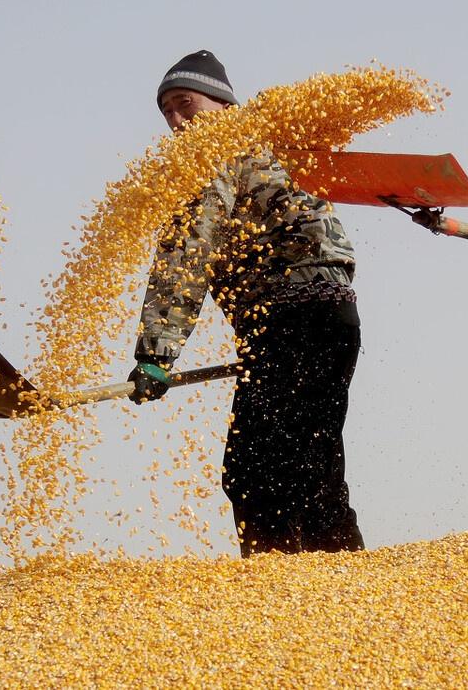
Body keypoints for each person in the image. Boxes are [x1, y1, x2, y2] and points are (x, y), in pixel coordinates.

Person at [127, 49, 365, 556]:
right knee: (313, 466)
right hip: (330, 320)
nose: (176, 120)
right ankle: (351, 596)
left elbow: (187, 251)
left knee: (257, 470)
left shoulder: (217, 154)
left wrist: (155, 353)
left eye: (185, 104)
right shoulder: (268, 154)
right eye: (166, 112)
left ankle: (275, 601)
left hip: (295, 315)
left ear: (222, 105)